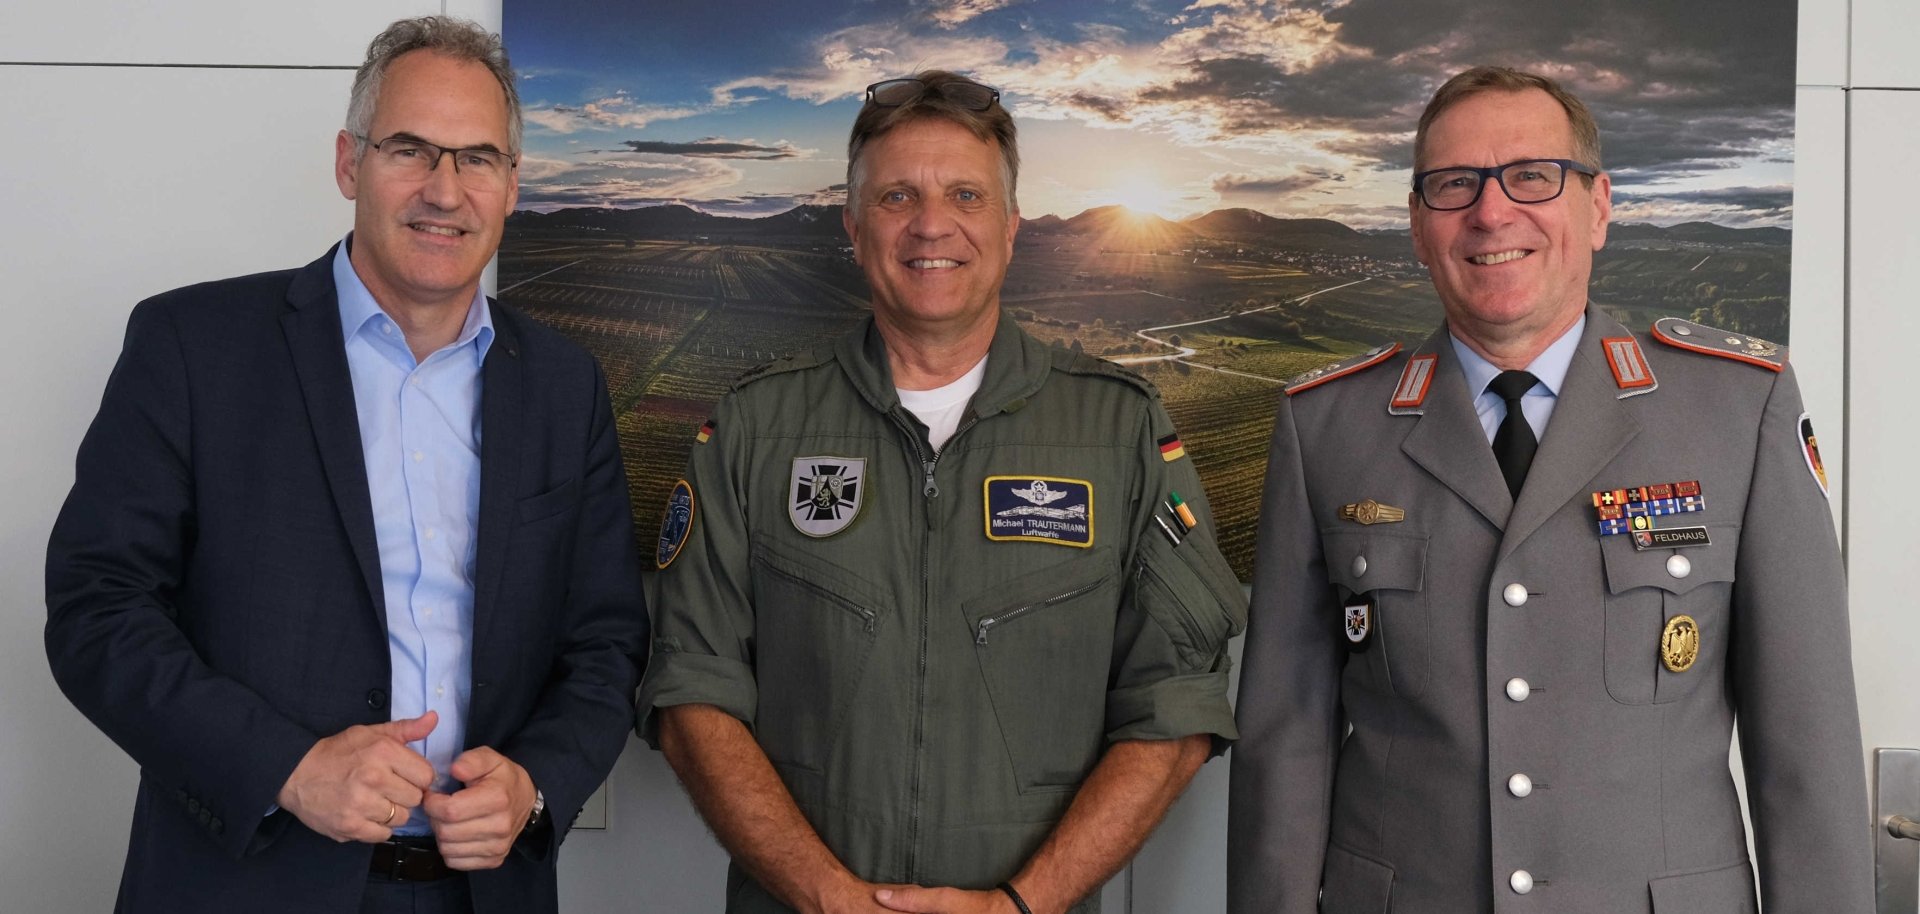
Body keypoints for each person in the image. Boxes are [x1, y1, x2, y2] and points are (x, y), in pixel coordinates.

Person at [1227, 64, 1873, 913]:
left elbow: (1807, 743)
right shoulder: (1328, 426)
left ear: (1598, 207)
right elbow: (1285, 744)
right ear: (1418, 227)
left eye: (1533, 176)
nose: (1492, 212)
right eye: (1454, 185)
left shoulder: (1736, 408)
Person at [44, 16, 646, 914]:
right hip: (245, 881)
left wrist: (536, 785)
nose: (445, 190)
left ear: (512, 186)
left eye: (477, 158)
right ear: (347, 163)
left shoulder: (566, 386)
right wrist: (285, 767)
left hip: (482, 891)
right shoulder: (191, 346)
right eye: (411, 149)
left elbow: (605, 643)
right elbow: (97, 611)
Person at [637, 70, 1245, 914]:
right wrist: (829, 900)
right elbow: (688, 688)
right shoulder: (752, 428)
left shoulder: (1121, 431)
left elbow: (1176, 709)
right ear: (853, 227)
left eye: (965, 193)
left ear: (1010, 225)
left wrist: (1021, 906)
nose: (932, 225)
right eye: (896, 196)